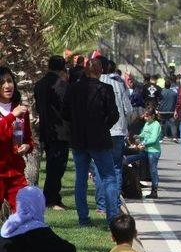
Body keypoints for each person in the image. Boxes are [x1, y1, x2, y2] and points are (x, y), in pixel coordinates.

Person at [63, 59, 120, 225]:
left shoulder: (73, 89)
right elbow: (113, 114)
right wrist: (103, 126)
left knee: (81, 178)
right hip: (99, 138)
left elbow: (65, 112)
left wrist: (76, 124)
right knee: (108, 177)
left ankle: (83, 218)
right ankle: (113, 218)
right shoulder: (105, 89)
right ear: (100, 71)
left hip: (79, 138)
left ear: (85, 71)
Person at [94, 57, 133, 215]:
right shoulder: (119, 84)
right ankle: (115, 204)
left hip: (100, 131)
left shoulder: (94, 83)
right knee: (116, 168)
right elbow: (128, 109)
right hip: (117, 131)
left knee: (99, 167)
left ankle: (102, 205)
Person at [34, 56, 70, 210]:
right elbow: (66, 108)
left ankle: (54, 197)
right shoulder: (61, 85)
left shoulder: (40, 84)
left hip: (45, 129)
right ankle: (51, 199)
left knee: (52, 165)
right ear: (62, 68)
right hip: (59, 131)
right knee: (57, 166)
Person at [0, 66, 34, 211]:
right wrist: (11, 116)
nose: (7, 85)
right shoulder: (15, 112)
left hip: (16, 172)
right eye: (2, 82)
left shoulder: (21, 110)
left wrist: (27, 146)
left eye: (9, 81)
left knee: (26, 211)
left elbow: (28, 139)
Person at [125, 108, 162, 199]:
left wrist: (143, 143)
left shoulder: (156, 125)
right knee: (134, 159)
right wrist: (138, 136)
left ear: (152, 116)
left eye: (147, 116)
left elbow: (153, 139)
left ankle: (154, 190)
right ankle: (125, 163)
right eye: (145, 116)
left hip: (153, 151)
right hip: (145, 150)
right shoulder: (147, 123)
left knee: (153, 170)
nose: (145, 118)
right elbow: (143, 134)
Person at [157, 78, 178, 143]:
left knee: (161, 124)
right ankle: (174, 137)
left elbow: (158, 101)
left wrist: (157, 109)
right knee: (173, 124)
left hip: (162, 111)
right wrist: (175, 110)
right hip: (171, 111)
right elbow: (176, 102)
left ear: (164, 85)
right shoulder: (174, 93)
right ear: (170, 85)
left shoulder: (161, 92)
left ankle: (160, 138)